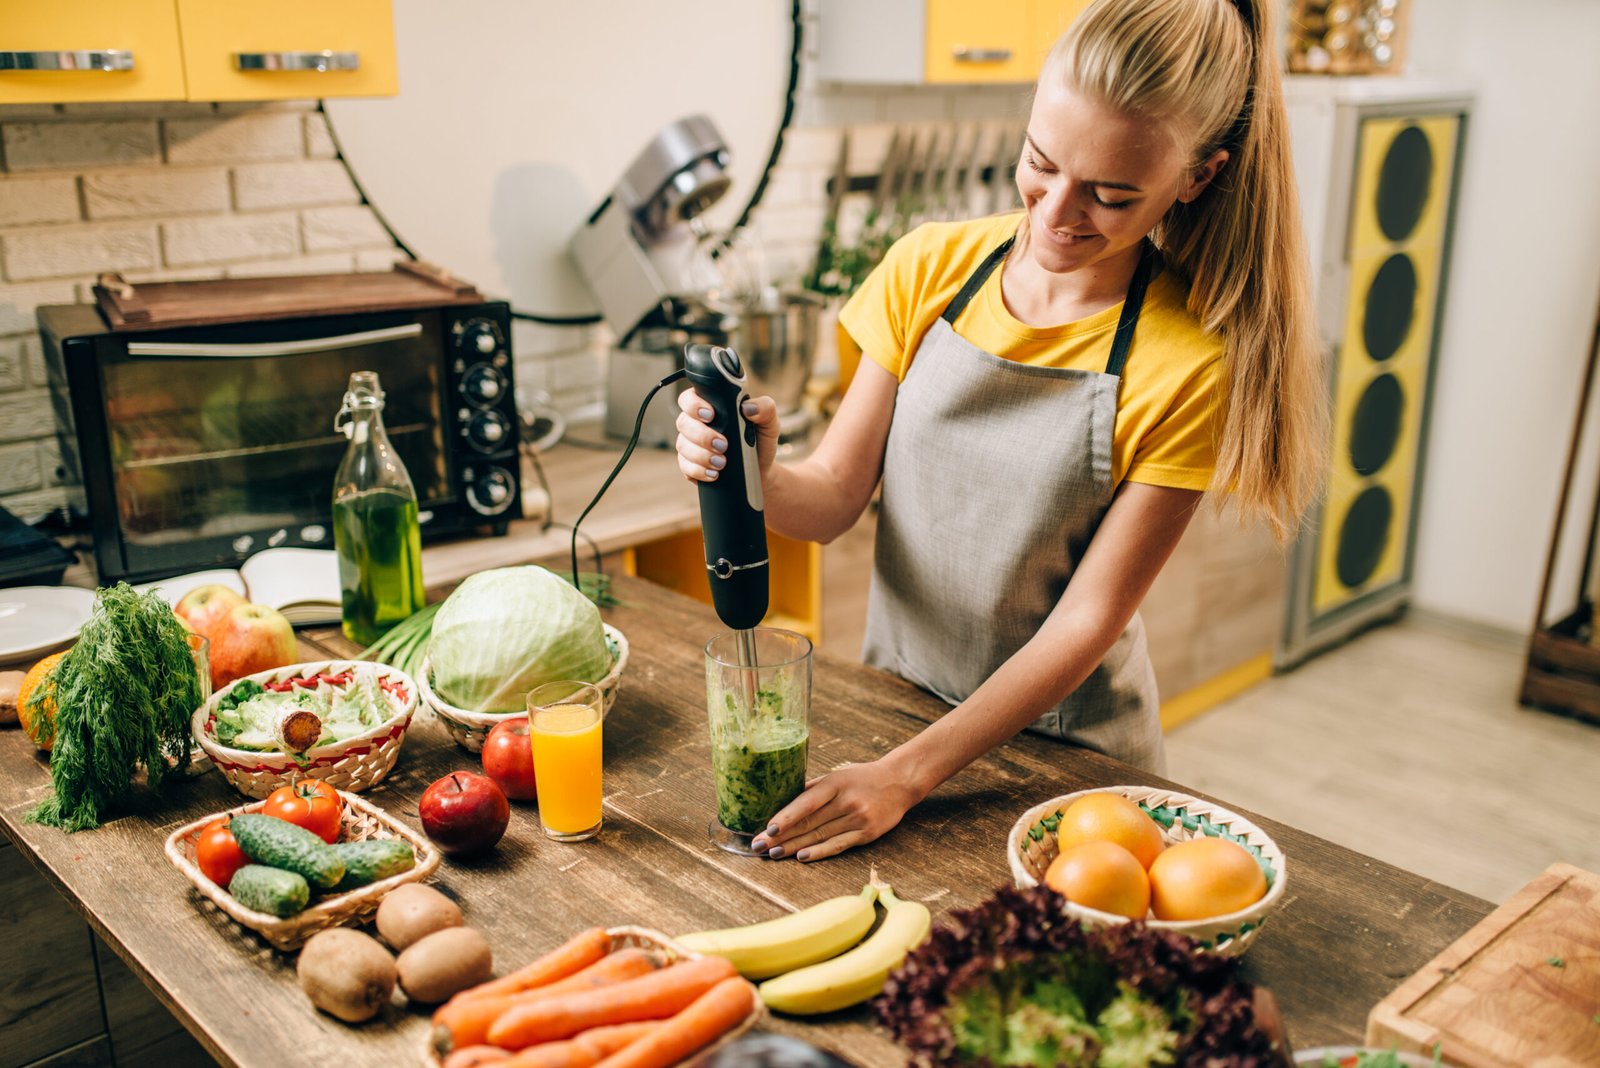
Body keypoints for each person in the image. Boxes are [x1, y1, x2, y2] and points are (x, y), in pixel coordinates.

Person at [675, 0, 1325, 862]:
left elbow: (1085, 623)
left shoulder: (1188, 360)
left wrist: (907, 777)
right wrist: (759, 473)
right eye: (1040, 163)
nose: (1058, 212)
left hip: (1062, 774)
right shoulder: (930, 270)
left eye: (1111, 194)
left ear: (1196, 179)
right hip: (896, 719)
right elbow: (830, 500)